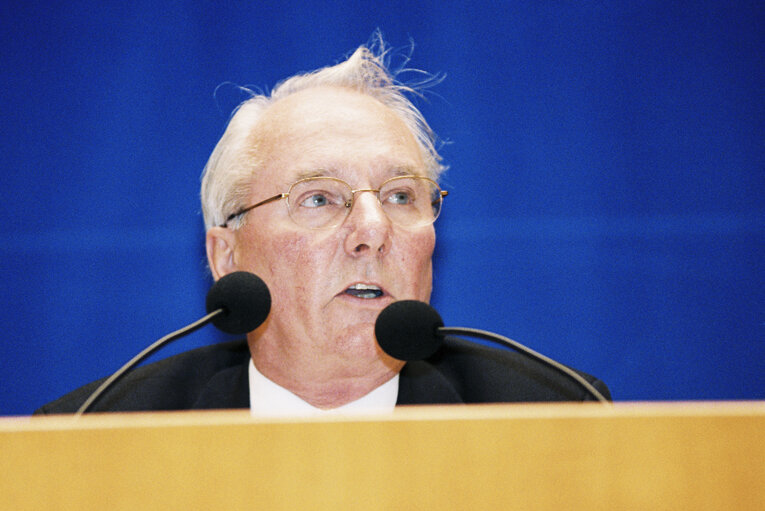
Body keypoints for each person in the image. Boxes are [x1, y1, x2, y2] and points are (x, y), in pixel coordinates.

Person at [37, 38, 609, 416]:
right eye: (319, 199)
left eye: (401, 196)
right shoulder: (97, 436)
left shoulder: (555, 416)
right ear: (227, 256)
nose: (372, 229)